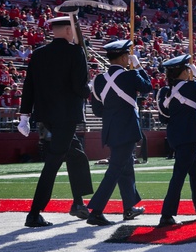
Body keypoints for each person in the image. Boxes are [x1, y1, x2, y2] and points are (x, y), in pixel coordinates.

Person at [21, 15, 93, 227]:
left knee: (76, 154)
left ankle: (78, 203)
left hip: (44, 118)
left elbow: (29, 86)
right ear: (70, 30)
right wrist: (91, 87)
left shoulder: (38, 54)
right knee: (53, 163)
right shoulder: (75, 52)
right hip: (66, 118)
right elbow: (80, 88)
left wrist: (24, 115)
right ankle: (34, 213)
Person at [87, 40, 152, 226]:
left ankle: (129, 207)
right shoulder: (130, 75)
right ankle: (96, 211)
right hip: (128, 128)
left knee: (126, 167)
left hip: (110, 129)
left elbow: (98, 110)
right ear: (125, 57)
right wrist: (138, 65)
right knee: (115, 169)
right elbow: (147, 87)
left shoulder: (99, 79)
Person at [155, 54, 196, 228]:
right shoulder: (191, 87)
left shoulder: (165, 92)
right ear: (184, 71)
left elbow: (163, 118)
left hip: (176, 137)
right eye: (187, 69)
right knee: (178, 176)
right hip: (188, 137)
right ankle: (167, 214)